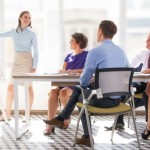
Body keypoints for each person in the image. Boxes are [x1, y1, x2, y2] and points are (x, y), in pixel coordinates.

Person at [43, 20, 129, 147]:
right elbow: (125, 75)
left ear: (100, 32)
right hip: (118, 100)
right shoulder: (121, 52)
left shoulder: (95, 52)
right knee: (79, 90)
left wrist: (91, 80)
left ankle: (71, 125)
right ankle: (64, 120)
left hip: (101, 100)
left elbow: (83, 80)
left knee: (80, 91)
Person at [43, 32, 88, 135]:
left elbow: (87, 69)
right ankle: (49, 125)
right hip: (63, 82)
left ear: (79, 42)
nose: (69, 42)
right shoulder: (68, 55)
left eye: (72, 40)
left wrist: (72, 71)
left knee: (63, 92)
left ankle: (65, 117)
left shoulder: (87, 54)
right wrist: (62, 70)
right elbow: (63, 68)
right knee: (53, 91)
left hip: (76, 85)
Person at [105, 34, 150, 131]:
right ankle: (119, 121)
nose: (146, 42)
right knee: (124, 89)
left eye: (148, 40)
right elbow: (131, 65)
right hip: (143, 82)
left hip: (147, 84)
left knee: (127, 90)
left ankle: (121, 120)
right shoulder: (144, 52)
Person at [0, 11, 39, 121]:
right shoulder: (13, 31)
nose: (28, 19)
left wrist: (34, 66)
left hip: (27, 61)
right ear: (20, 18)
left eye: (29, 18)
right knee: (10, 87)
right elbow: (1, 35)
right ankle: (7, 114)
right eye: (25, 17)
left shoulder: (32, 33)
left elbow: (36, 52)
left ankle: (27, 115)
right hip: (16, 60)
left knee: (28, 87)